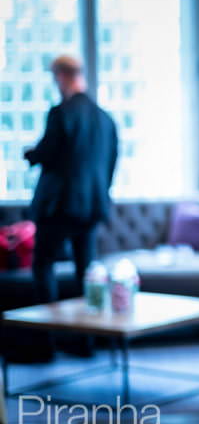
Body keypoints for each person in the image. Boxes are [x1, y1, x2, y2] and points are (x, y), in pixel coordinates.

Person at [25, 55, 118, 308]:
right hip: (92, 207)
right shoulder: (105, 119)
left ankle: (46, 341)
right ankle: (85, 341)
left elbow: (47, 153)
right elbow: (110, 165)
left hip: (59, 207)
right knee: (85, 272)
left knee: (43, 265)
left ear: (61, 76)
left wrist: (30, 153)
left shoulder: (61, 114)